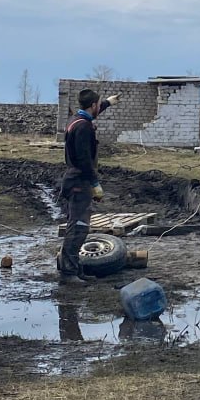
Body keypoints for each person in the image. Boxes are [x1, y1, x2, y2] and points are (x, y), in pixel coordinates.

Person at [57, 87, 118, 282]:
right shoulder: (84, 127)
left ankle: (74, 269)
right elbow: (84, 159)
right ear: (92, 105)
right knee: (78, 227)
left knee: (78, 225)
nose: (99, 107)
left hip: (75, 178)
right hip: (79, 181)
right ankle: (68, 273)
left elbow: (93, 111)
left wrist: (108, 102)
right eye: (99, 104)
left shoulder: (76, 119)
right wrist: (95, 183)